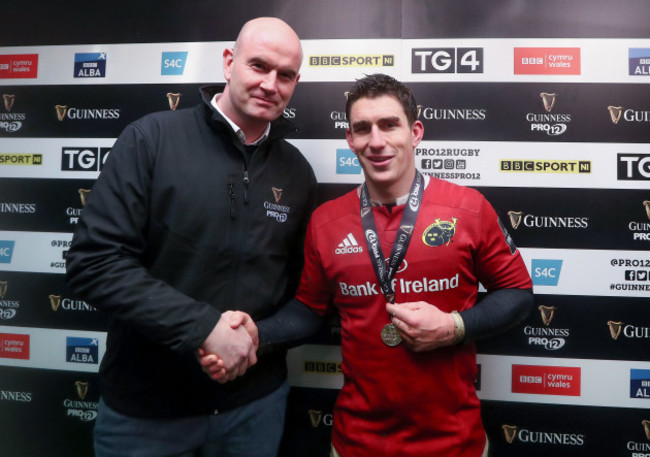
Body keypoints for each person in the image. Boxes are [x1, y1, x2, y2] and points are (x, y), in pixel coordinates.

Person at [202, 73, 534, 457]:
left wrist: (454, 326)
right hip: (356, 442)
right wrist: (259, 334)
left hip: (455, 442)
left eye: (390, 125)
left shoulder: (469, 208)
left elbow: (518, 295)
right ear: (350, 140)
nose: (376, 141)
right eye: (363, 129)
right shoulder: (326, 221)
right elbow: (309, 310)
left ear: (416, 132)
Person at [65, 17, 317, 457]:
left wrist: (254, 337)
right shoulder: (152, 139)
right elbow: (94, 263)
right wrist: (204, 329)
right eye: (258, 66)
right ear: (228, 62)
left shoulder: (296, 171)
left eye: (286, 75)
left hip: (254, 411)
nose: (270, 84)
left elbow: (304, 296)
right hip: (145, 417)